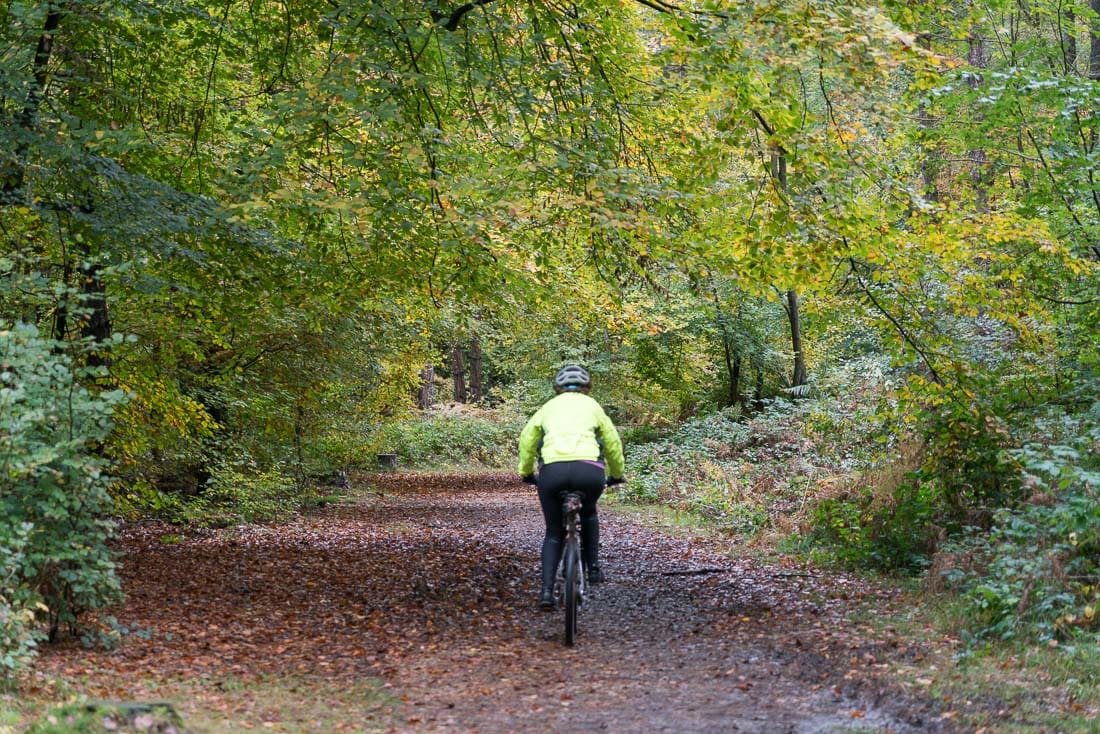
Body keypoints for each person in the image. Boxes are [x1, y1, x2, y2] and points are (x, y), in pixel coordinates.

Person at [517, 364, 625, 610]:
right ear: (587, 387)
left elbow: (527, 438)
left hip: (552, 472)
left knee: (554, 532)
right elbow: (612, 441)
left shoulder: (548, 407)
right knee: (588, 512)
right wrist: (617, 474)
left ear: (558, 387)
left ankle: (546, 592)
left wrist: (526, 472)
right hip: (588, 471)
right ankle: (594, 569)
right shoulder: (593, 406)